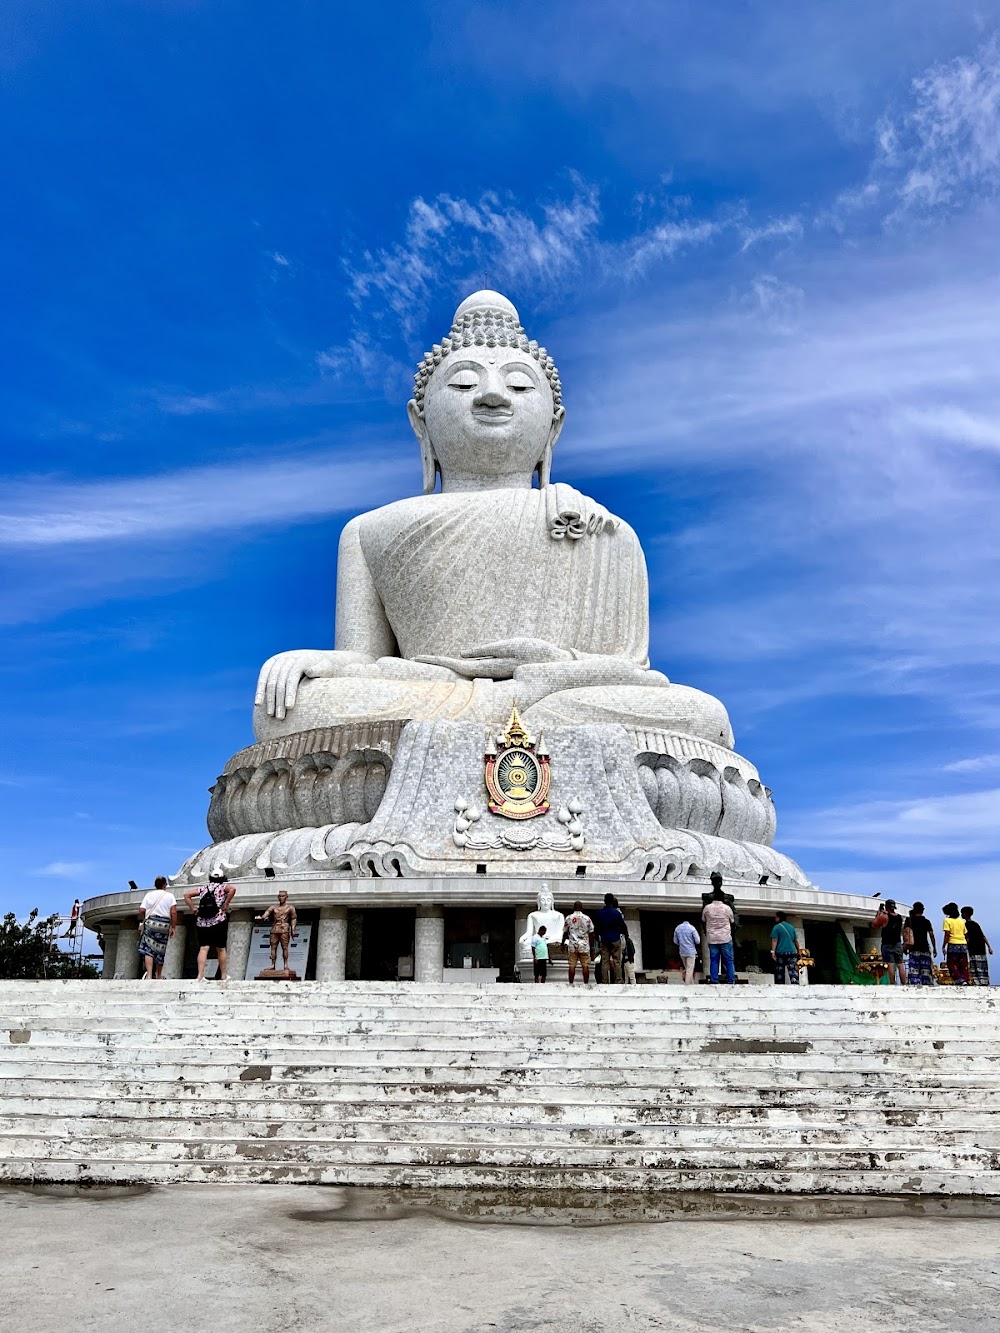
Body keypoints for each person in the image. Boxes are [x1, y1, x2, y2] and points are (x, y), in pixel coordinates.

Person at [184, 873, 236, 981]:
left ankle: (200, 975)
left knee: (203, 948)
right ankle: (223, 975)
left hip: (202, 922)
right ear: (222, 878)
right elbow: (233, 889)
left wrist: (193, 908)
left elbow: (187, 895)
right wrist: (226, 903)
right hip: (218, 920)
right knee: (221, 949)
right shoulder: (222, 887)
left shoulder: (203, 888)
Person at [137, 877, 177, 980]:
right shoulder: (170, 896)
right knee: (161, 949)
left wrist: (146, 916)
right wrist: (173, 926)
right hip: (164, 924)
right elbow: (173, 912)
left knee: (148, 949)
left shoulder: (149, 895)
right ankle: (159, 975)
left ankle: (149, 975)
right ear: (165, 885)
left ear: (155, 885)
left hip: (151, 922)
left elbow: (141, 910)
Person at [256, 890, 298, 972]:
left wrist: (293, 928)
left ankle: (286, 965)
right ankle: (272, 964)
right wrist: (262, 918)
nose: (281, 897)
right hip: (275, 929)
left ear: (286, 897)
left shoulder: (290, 908)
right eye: (280, 896)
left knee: (285, 947)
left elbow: (294, 918)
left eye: (283, 896)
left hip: (284, 928)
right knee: (273, 947)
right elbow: (267, 913)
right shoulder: (273, 907)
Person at [702, 883, 735, 984]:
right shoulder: (727, 908)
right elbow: (732, 921)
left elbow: (703, 919)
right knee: (729, 960)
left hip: (712, 938)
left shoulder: (707, 908)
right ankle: (730, 980)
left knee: (714, 961)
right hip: (725, 938)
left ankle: (714, 980)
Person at [592, 892, 629, 984]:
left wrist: (597, 937)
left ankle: (604, 980)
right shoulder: (616, 913)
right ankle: (618, 980)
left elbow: (596, 927)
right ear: (612, 901)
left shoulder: (599, 913)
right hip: (615, 938)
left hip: (604, 938)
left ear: (604, 901)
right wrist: (626, 936)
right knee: (617, 961)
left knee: (605, 961)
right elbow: (622, 925)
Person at [873, 899, 907, 985]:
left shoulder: (884, 916)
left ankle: (892, 982)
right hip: (898, 943)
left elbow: (874, 924)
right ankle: (904, 982)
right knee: (900, 964)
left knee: (890, 963)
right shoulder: (899, 917)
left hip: (887, 943)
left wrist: (878, 914)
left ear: (886, 906)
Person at [903, 901, 936, 986]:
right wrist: (934, 948)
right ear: (923, 910)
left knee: (914, 969)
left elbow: (905, 934)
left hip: (913, 948)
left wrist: (905, 947)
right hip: (925, 948)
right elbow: (931, 935)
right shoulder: (926, 921)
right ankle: (926, 985)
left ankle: (915, 985)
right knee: (925, 970)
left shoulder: (909, 920)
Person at [562, 901, 594, 986]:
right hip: (584, 945)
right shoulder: (587, 918)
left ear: (574, 907)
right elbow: (591, 933)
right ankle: (586, 983)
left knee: (572, 965)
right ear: (582, 908)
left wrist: (562, 943)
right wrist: (592, 946)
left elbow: (565, 932)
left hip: (572, 945)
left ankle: (571, 983)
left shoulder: (569, 918)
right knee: (585, 965)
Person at [961, 906, 993, 986]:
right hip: (981, 947)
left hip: (973, 947)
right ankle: (984, 981)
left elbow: (966, 937)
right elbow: (983, 936)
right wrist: (989, 947)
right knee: (982, 964)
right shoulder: (976, 924)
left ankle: (977, 981)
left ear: (965, 914)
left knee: (975, 964)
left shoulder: (965, 925)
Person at [941, 902, 970, 986]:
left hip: (953, 943)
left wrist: (944, 945)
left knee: (952, 964)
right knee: (963, 964)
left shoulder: (947, 920)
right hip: (963, 944)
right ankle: (965, 979)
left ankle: (959, 979)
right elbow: (966, 934)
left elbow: (947, 934)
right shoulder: (961, 921)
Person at [770, 912, 799, 986]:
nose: (775, 918)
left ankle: (781, 986)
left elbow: (775, 940)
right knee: (793, 971)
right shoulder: (791, 927)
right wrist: (798, 951)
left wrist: (773, 952)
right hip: (792, 952)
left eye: (776, 917)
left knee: (780, 971)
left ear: (778, 917)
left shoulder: (776, 927)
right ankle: (795, 986)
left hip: (781, 952)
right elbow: (795, 941)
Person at [673, 918, 700, 983]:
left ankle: (692, 984)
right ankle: (687, 985)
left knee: (688, 969)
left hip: (682, 952)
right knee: (689, 970)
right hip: (691, 951)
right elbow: (698, 941)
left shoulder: (677, 928)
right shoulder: (692, 928)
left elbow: (675, 941)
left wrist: (682, 943)